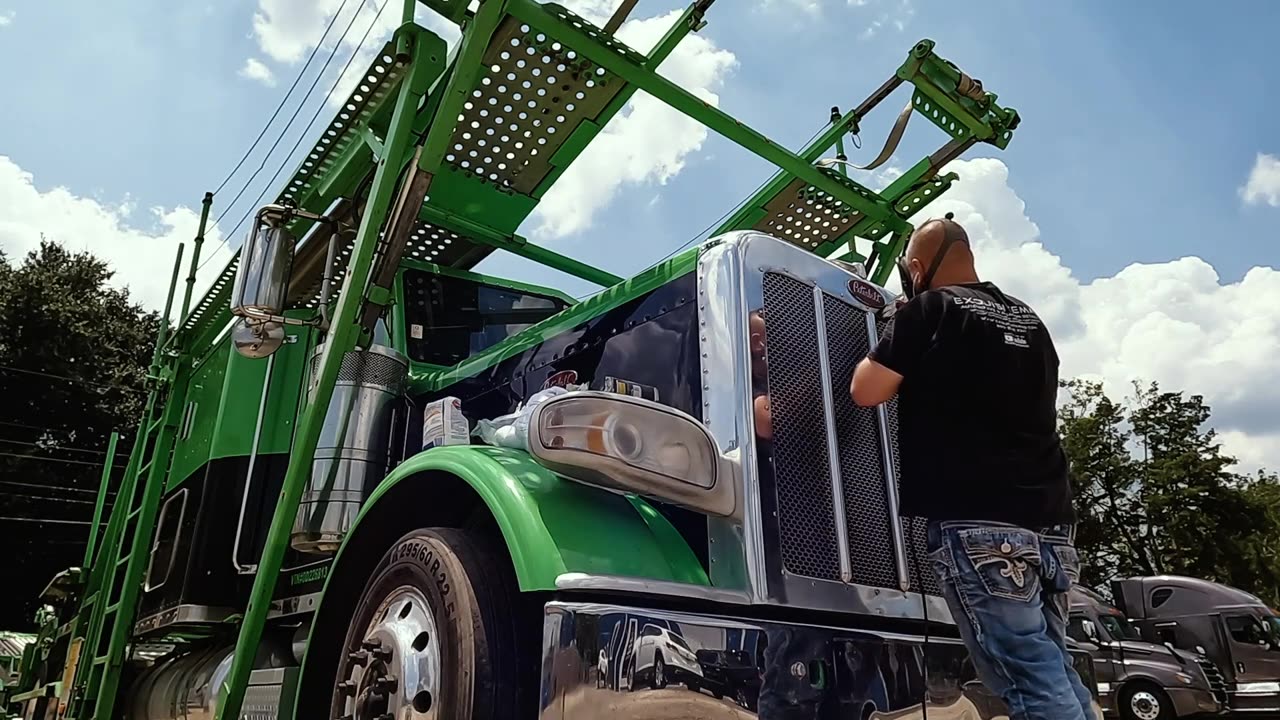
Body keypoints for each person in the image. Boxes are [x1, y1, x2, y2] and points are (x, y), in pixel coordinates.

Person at [848, 213, 1095, 720]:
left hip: (983, 531)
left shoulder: (931, 310)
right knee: (1054, 669)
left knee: (1030, 683)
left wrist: (899, 327)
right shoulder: (1029, 319)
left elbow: (865, 390)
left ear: (916, 268)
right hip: (1052, 528)